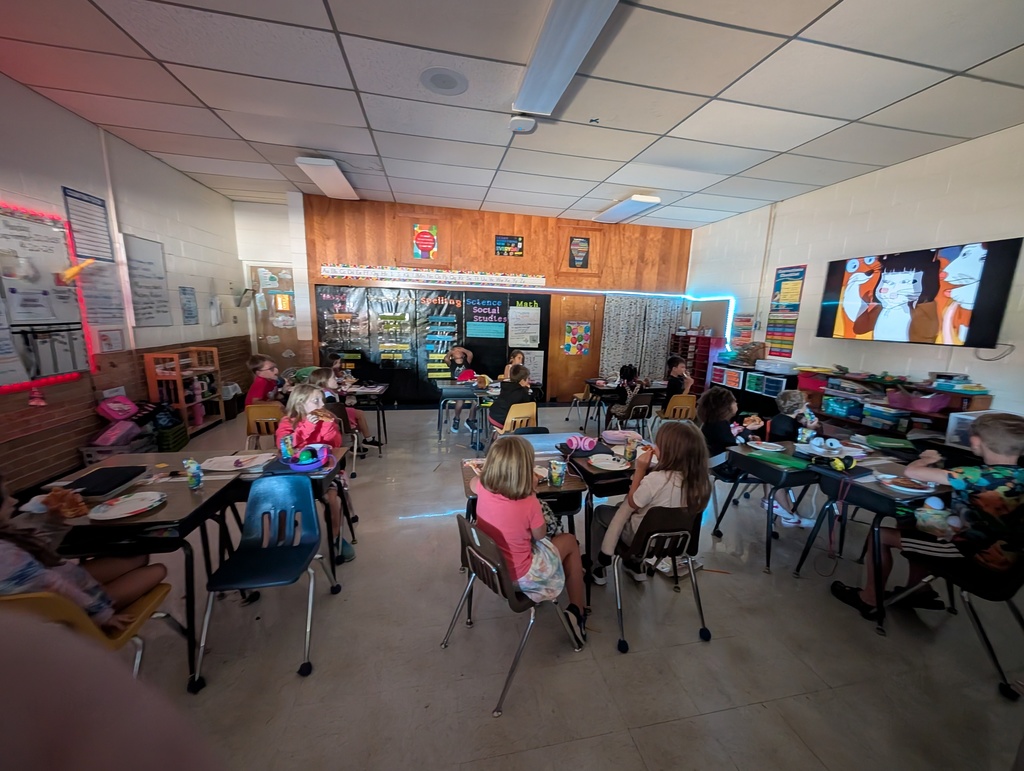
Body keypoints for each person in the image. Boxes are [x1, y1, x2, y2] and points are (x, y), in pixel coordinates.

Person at [831, 412, 1024, 619]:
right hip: (1005, 558)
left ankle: (869, 599)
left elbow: (912, 473)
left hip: (974, 558)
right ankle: (919, 591)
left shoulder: (977, 475)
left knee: (878, 535)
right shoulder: (1017, 474)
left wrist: (927, 458)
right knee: (910, 523)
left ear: (976, 441)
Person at [0, 471, 167, 633]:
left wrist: (53, 522)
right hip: (72, 611)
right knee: (158, 569)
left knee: (139, 556)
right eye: (5, 498)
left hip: (66, 586)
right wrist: (102, 614)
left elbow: (39, 555)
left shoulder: (6, 543)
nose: (13, 501)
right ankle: (106, 605)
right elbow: (52, 585)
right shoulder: (5, 556)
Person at [472, 436, 587, 646]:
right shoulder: (529, 502)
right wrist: (532, 491)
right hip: (521, 576)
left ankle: (571, 584)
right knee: (569, 541)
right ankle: (577, 613)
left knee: (541, 543)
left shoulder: (481, 486)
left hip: (490, 567)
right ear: (525, 470)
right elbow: (540, 535)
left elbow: (474, 483)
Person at [591, 421, 711, 584]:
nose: (654, 446)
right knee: (641, 514)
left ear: (670, 452)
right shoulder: (701, 483)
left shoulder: (656, 480)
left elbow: (632, 502)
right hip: (675, 542)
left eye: (658, 444)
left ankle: (597, 567)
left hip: (640, 540)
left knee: (601, 512)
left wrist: (640, 469)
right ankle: (635, 564)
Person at [275, 385, 355, 562]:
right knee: (278, 500)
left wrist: (327, 427)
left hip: (323, 473)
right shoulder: (287, 422)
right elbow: (286, 448)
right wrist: (306, 427)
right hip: (294, 474)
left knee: (332, 497)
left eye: (322, 400)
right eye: (315, 401)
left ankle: (335, 538)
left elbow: (334, 445)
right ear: (300, 403)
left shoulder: (326, 418)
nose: (321, 405)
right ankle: (281, 542)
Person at [306, 367, 382, 448]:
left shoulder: (324, 391)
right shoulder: (328, 396)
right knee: (359, 414)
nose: (336, 379)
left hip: (336, 415)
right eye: (333, 378)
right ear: (325, 381)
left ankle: (358, 444)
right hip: (337, 417)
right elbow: (333, 408)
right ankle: (367, 440)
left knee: (356, 414)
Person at [443, 344, 478, 432]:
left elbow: (470, 354)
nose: (458, 351)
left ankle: (470, 420)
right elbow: (446, 359)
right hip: (456, 387)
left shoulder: (466, 361)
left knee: (476, 401)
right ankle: (457, 419)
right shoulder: (451, 363)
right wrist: (451, 351)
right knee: (460, 401)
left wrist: (463, 350)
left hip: (467, 386)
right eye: (456, 351)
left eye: (460, 351)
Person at [488, 364, 534, 429]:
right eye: (527, 379)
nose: (529, 381)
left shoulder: (505, 386)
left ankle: (496, 436)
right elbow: (529, 410)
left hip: (493, 416)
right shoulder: (523, 393)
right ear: (522, 381)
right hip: (505, 422)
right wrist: (527, 390)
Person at [607, 364, 642, 429]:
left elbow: (621, 400)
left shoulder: (622, 387)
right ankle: (621, 423)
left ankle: (607, 429)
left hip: (626, 411)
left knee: (610, 408)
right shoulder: (640, 386)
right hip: (639, 411)